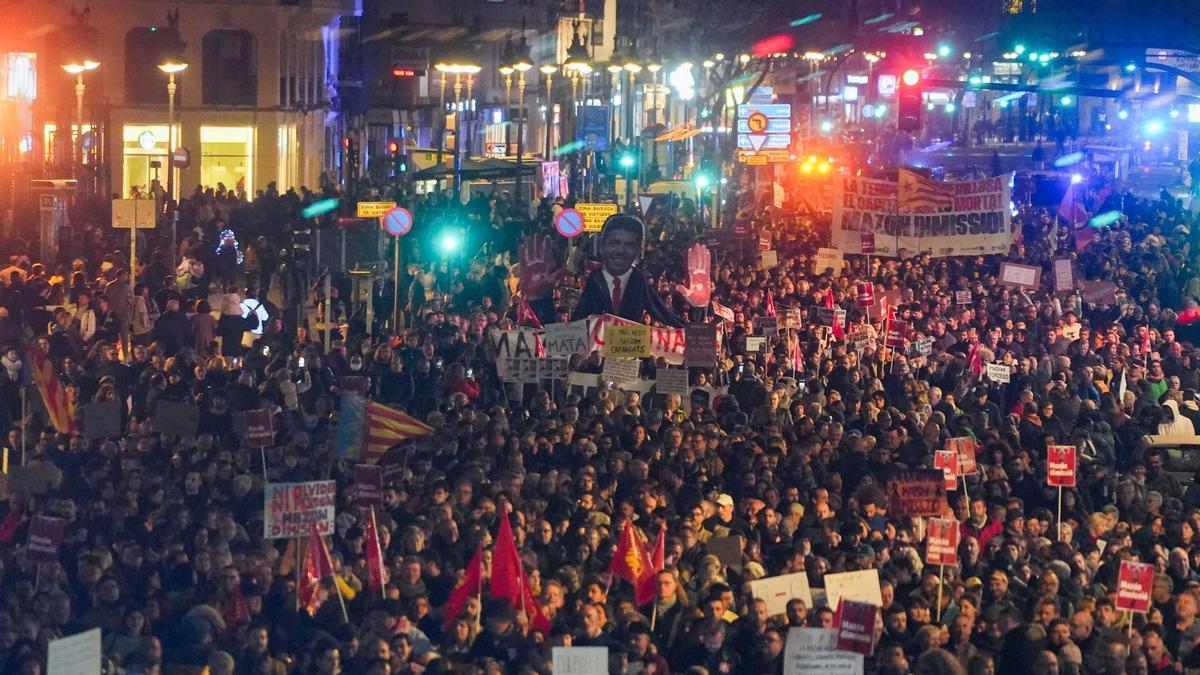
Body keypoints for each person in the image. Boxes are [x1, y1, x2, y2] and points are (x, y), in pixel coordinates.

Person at [571, 214, 684, 327]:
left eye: (629, 245)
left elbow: (660, 311)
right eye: (614, 243)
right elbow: (580, 316)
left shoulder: (638, 279)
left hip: (630, 342)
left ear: (638, 251)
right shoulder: (595, 279)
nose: (620, 251)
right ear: (602, 247)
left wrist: (693, 330)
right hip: (600, 342)